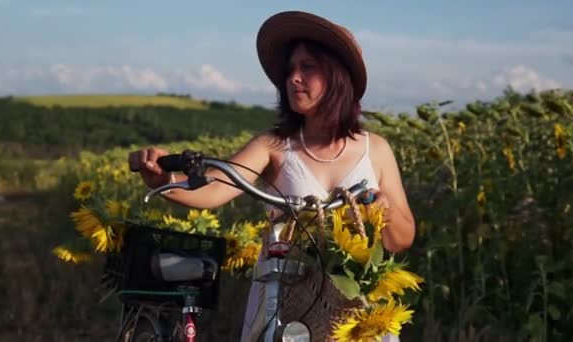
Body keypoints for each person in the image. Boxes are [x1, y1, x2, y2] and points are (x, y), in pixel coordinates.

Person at [128, 10, 415, 342]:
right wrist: (163, 181)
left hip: (356, 311)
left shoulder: (375, 149)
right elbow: (212, 190)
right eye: (291, 69)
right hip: (286, 299)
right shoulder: (274, 146)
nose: (293, 77)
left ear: (337, 75)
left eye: (307, 67)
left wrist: (385, 212)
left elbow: (402, 237)